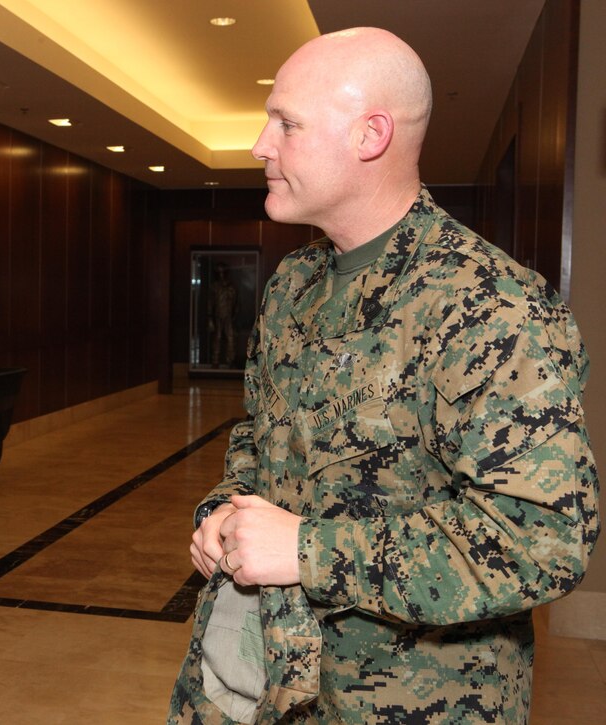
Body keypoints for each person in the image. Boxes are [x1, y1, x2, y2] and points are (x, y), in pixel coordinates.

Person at [169, 27, 599, 724]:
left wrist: (306, 549)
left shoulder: (489, 304)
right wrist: (226, 510)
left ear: (370, 136)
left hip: (415, 700)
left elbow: (543, 539)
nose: (259, 144)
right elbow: (260, 434)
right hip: (273, 675)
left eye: (286, 123)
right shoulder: (293, 283)